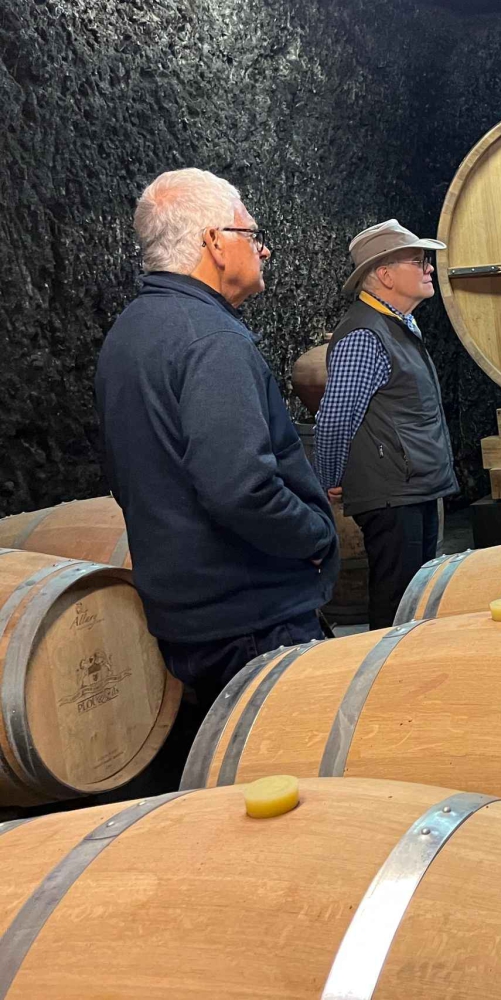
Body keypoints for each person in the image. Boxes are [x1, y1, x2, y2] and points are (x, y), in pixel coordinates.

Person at [95, 168, 338, 709]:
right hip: (253, 620)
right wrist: (316, 536)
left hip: (191, 618)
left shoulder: (129, 332)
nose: (264, 249)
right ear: (214, 242)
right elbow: (241, 490)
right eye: (252, 233)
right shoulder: (211, 339)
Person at [315, 220, 458, 630]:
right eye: (418, 261)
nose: (429, 268)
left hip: (411, 486)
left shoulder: (397, 324)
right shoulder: (364, 335)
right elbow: (335, 418)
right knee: (397, 605)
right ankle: (385, 669)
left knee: (417, 599)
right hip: (393, 494)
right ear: (385, 275)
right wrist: (329, 479)